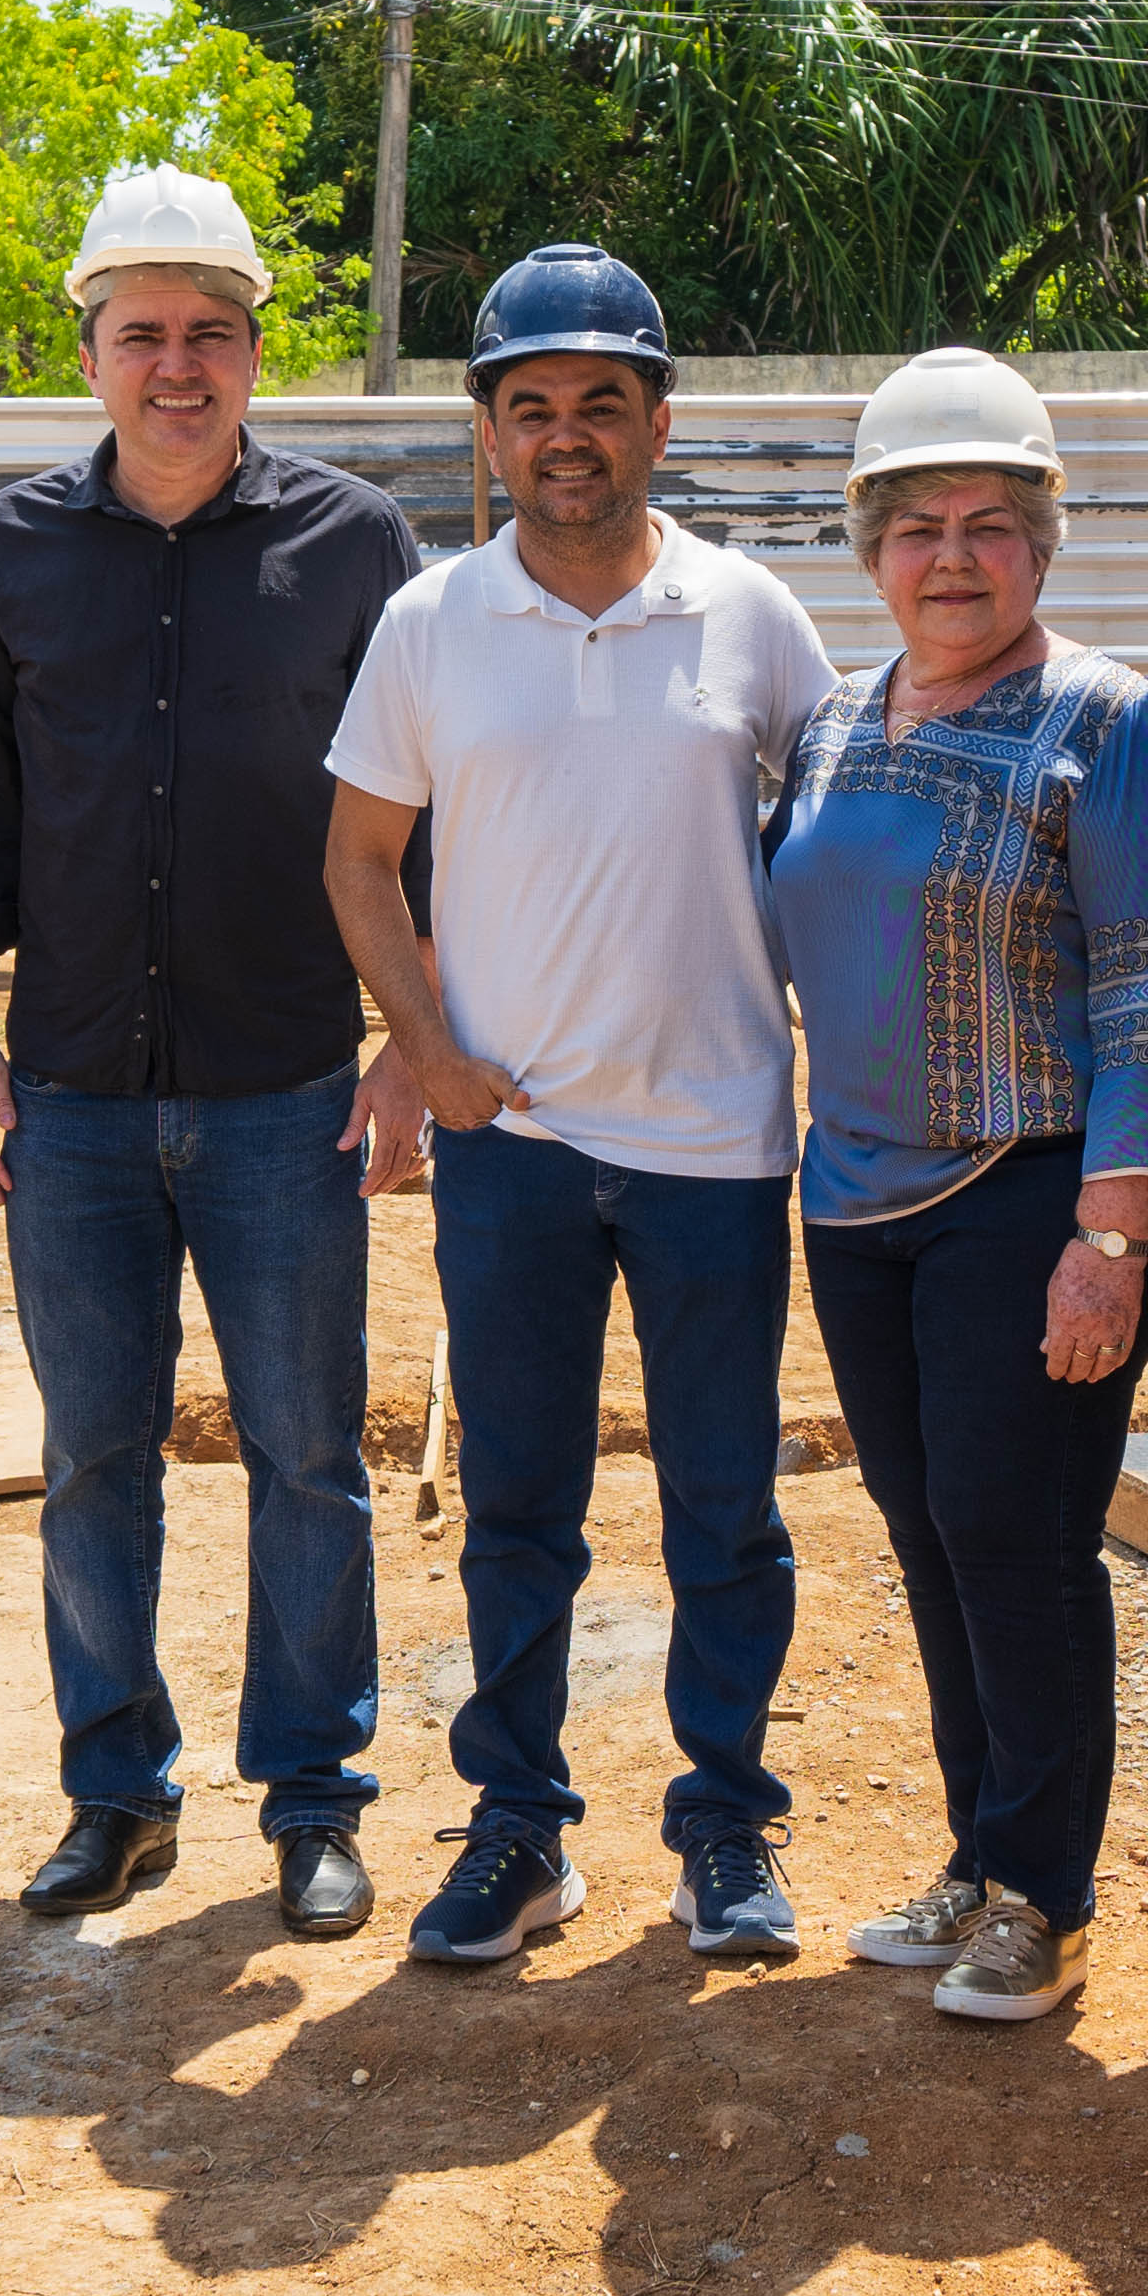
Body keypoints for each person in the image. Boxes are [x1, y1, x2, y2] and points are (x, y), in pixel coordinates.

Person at [324, 246, 839, 1970]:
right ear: (484, 435)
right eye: (529, 406)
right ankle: (518, 1830)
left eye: (598, 402)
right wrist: (429, 1046)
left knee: (723, 1507)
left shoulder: (751, 616)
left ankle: (724, 1830)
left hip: (709, 1145)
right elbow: (357, 858)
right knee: (520, 1506)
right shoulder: (429, 622)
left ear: (656, 420)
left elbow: (829, 849)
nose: (565, 435)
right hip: (516, 1151)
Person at [0, 168, 430, 1939]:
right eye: (138, 331)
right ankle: (112, 1795)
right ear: (86, 351)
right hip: (66, 1090)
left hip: (289, 1081)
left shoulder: (358, 545)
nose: (175, 364)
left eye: (208, 331)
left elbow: (413, 812)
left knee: (307, 1452)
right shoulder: (12, 552)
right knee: (93, 1459)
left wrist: (403, 1042)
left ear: (252, 350)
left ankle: (312, 1796)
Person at [763, 353, 1148, 2025]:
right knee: (928, 1529)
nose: (951, 559)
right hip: (857, 1196)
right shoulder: (825, 724)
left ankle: (1045, 1892)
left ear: (1042, 542)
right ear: (868, 548)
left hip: (1036, 1193)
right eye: (915, 529)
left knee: (1016, 1536)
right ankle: (976, 1847)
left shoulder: (1112, 722)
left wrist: (1114, 1237)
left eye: (988, 527)